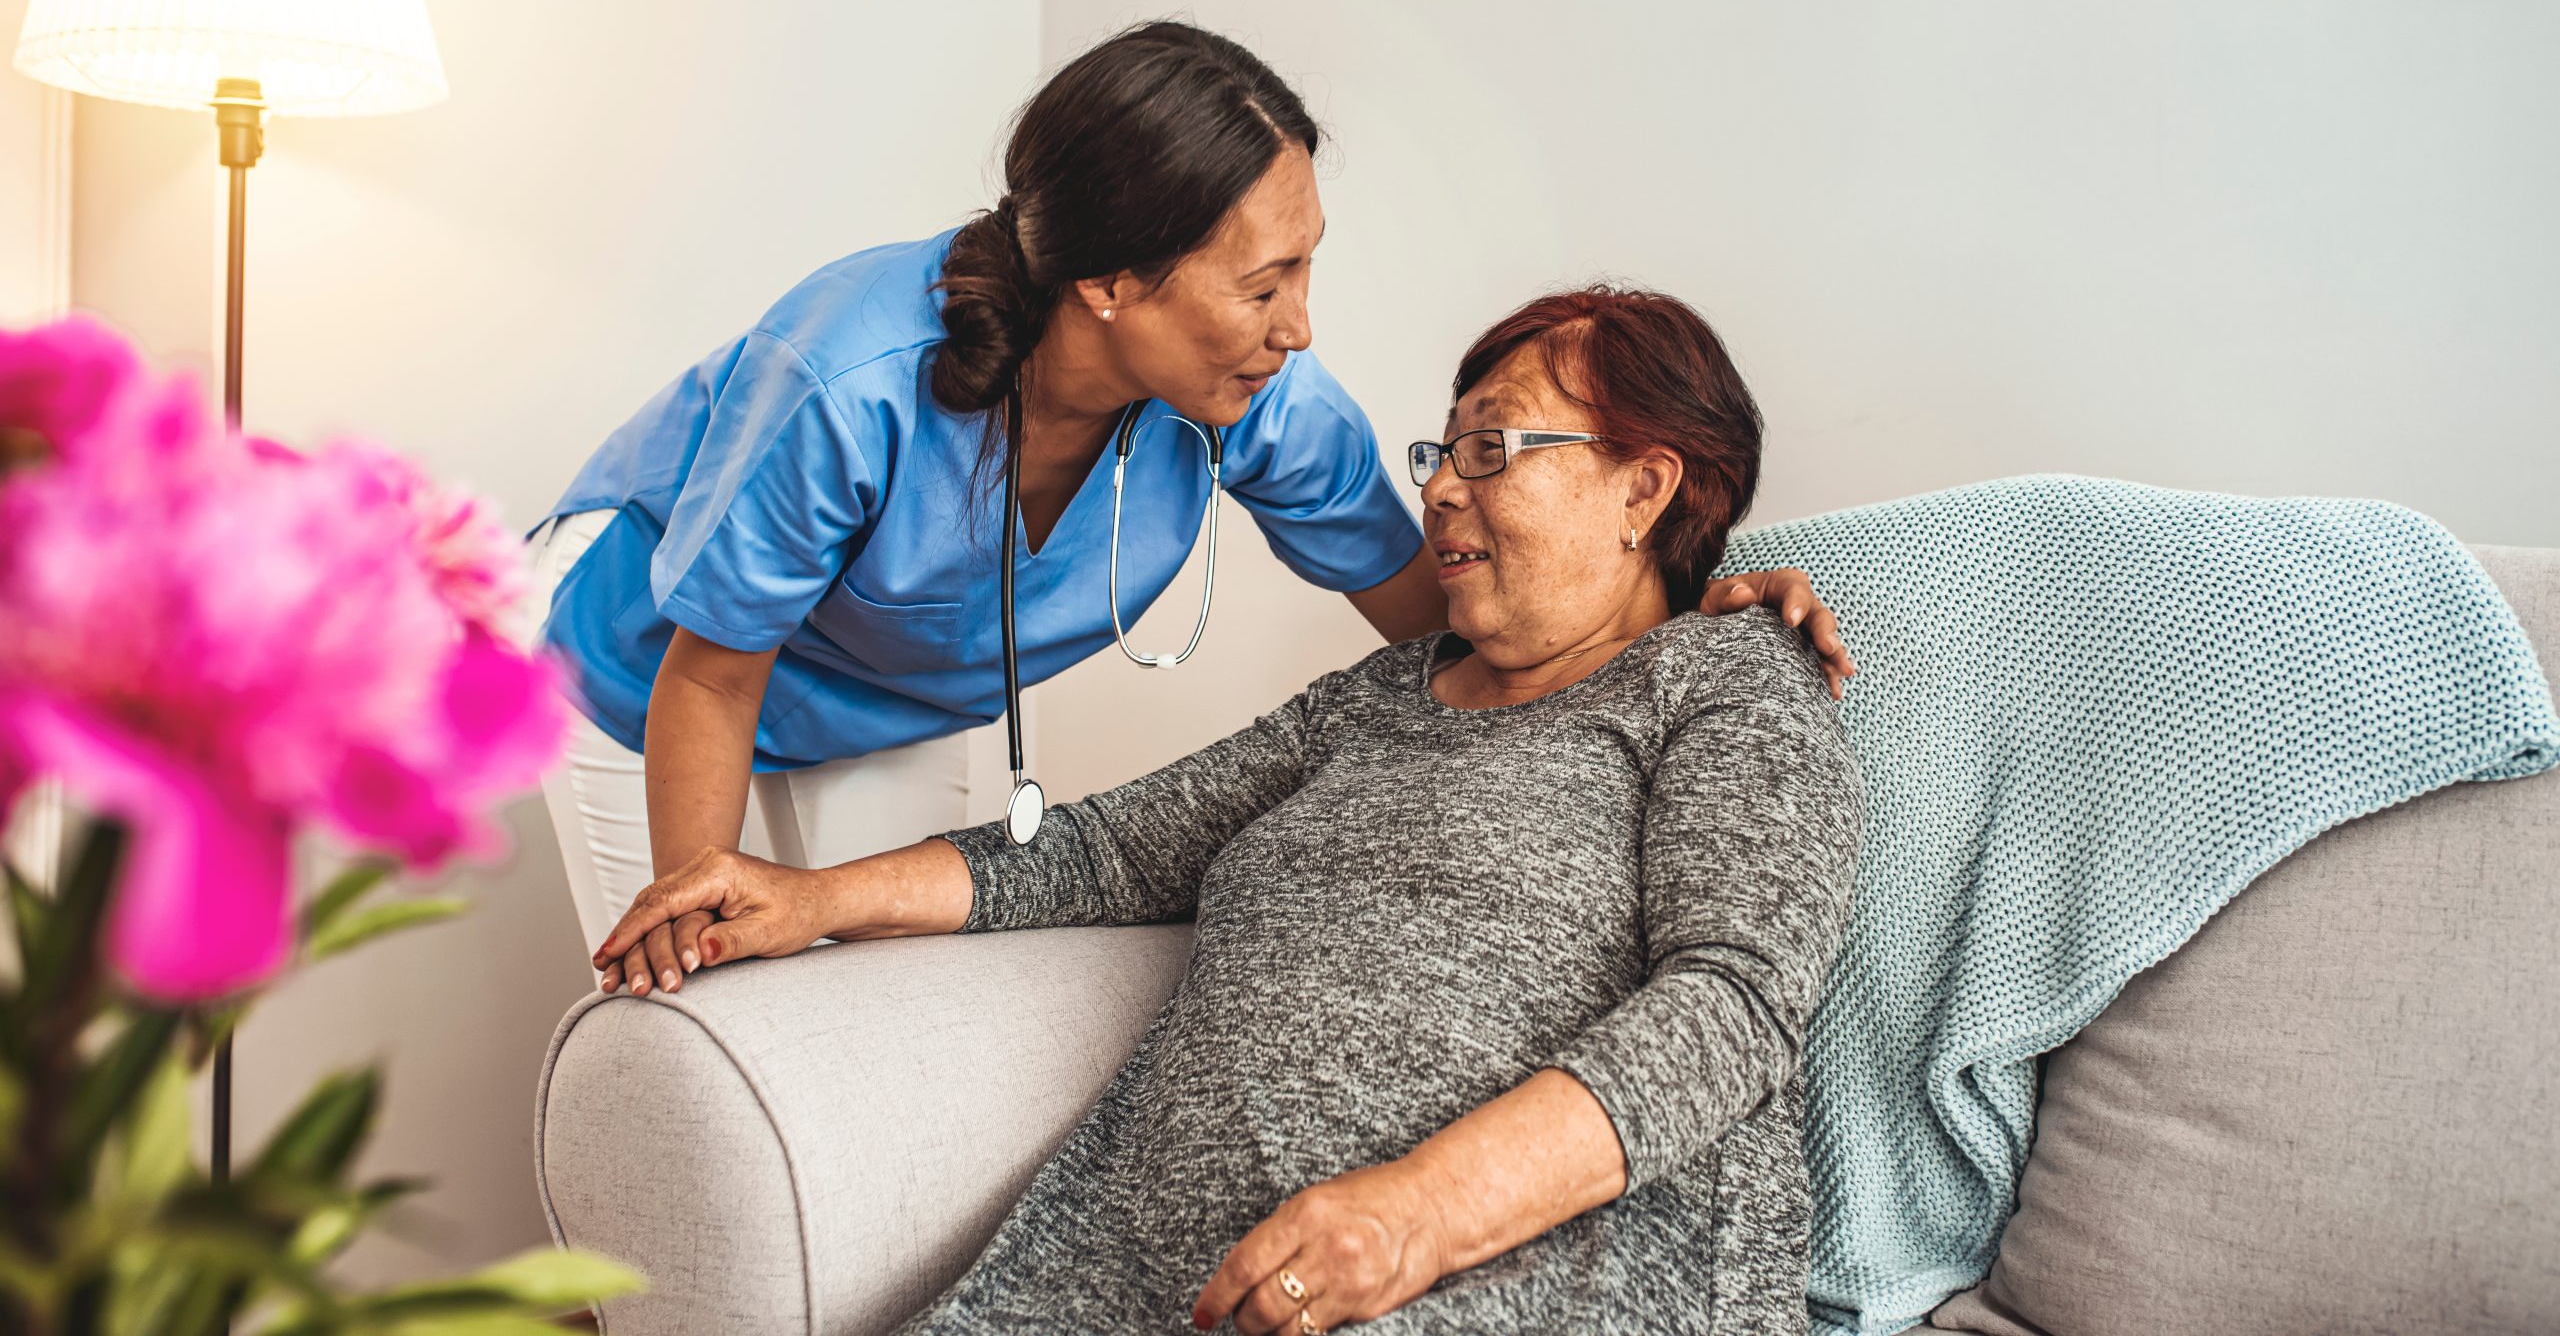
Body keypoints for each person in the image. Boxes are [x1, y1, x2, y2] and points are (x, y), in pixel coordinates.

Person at [593, 284, 1864, 1335]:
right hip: (1142, 1267)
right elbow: (1105, 849)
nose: (1437, 491)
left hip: (1516, 1273)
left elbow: (1733, 1007)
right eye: (1442, 450)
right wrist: (804, 896)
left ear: (1644, 490)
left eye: (1495, 447)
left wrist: (1411, 1213)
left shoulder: (1729, 678)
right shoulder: (1381, 694)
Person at [532, 20, 1854, 990]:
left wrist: (1689, 619)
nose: (1299, 323)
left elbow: (1450, 615)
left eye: (1306, 270)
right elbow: (711, 677)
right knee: (692, 1015)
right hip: (644, 674)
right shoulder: (848, 379)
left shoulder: (1258, 395)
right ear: (1115, 282)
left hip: (887, 702)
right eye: (1264, 280)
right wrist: (686, 922)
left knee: (861, 1008)